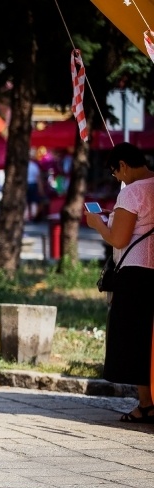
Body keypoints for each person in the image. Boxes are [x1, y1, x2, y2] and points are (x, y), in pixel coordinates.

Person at [85, 142, 154, 423]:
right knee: (149, 339)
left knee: (133, 339)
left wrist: (97, 223)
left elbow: (118, 239)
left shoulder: (132, 192)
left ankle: (145, 403)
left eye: (115, 173)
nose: (117, 178)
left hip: (134, 274)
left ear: (123, 165)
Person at [26, 154, 44, 221]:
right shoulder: (34, 166)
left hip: (26, 184)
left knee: (28, 201)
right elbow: (38, 178)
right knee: (34, 201)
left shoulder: (24, 166)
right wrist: (40, 188)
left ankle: (28, 215)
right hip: (33, 185)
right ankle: (34, 215)